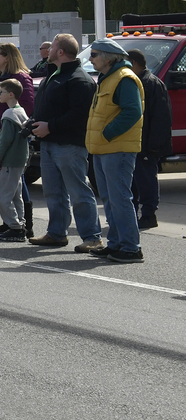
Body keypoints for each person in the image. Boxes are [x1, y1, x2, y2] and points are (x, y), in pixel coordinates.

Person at [26, 34, 102, 252]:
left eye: (52, 47)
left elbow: (81, 114)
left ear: (60, 52)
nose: (47, 50)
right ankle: (57, 233)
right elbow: (48, 107)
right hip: (50, 144)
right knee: (54, 191)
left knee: (79, 191)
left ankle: (92, 237)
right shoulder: (54, 75)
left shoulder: (79, 79)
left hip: (69, 145)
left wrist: (50, 126)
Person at [84, 39, 144, 263]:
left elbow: (132, 112)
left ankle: (131, 248)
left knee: (119, 198)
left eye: (94, 54)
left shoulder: (124, 79)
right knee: (110, 199)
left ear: (108, 58)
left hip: (116, 148)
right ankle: (116, 243)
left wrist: (107, 134)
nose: (91, 59)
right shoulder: (108, 78)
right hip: (104, 148)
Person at [127, 48, 169, 231]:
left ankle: (149, 214)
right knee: (134, 182)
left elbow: (161, 118)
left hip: (147, 145)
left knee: (146, 181)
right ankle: (134, 214)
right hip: (135, 143)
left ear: (134, 63)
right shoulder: (136, 82)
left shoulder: (151, 84)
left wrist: (153, 146)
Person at [0, 78, 29, 241]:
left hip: (9, 160)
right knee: (15, 194)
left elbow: (4, 140)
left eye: (1, 92)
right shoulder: (21, 111)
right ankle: (18, 222)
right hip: (19, 159)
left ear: (11, 94)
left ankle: (15, 227)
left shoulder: (9, 114)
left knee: (2, 196)